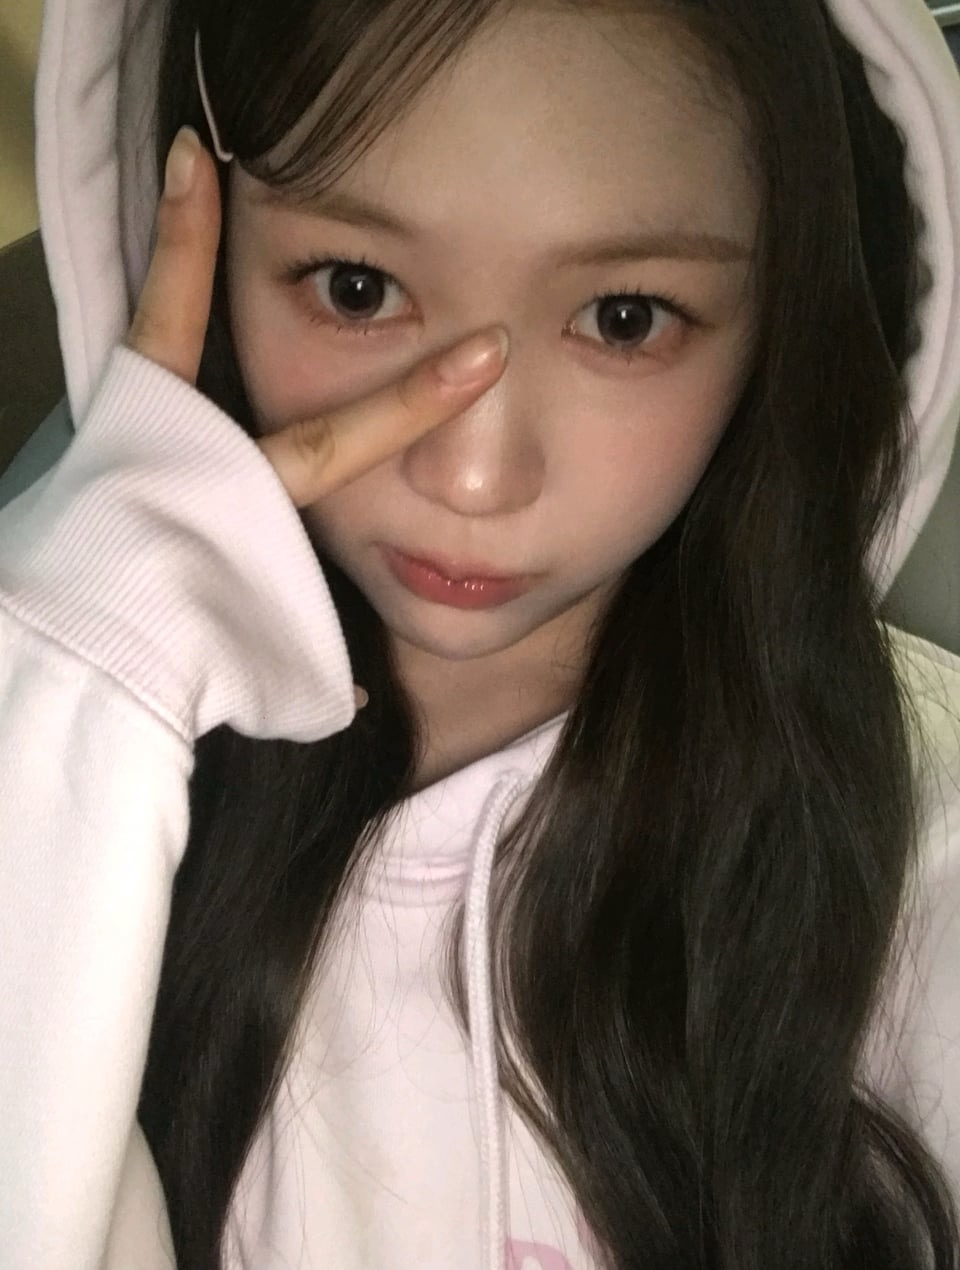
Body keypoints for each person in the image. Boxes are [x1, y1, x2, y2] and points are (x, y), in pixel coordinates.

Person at [1, 0, 960, 1266]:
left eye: (625, 318)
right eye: (357, 289)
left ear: (781, 324)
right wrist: (74, 699)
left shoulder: (927, 866)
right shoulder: (87, 758)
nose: (472, 475)